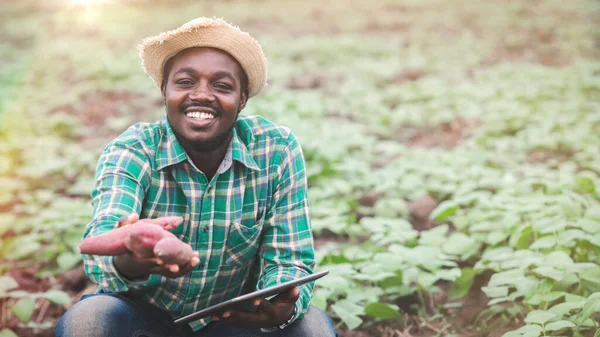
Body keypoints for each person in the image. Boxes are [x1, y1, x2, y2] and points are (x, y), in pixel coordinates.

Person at [55, 17, 337, 337]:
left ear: (242, 99)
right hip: (144, 318)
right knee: (89, 319)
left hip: (232, 320)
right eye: (185, 82)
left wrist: (278, 305)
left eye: (222, 85)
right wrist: (130, 257)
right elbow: (104, 241)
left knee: (311, 326)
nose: (201, 95)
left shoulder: (277, 150)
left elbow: (289, 260)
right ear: (165, 90)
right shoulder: (133, 151)